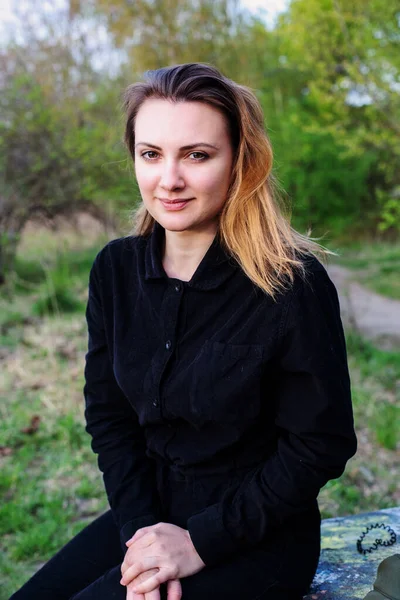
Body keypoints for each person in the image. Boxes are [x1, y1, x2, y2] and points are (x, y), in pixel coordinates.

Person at [10, 62, 357, 600]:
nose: (168, 179)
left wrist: (198, 541)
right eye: (151, 154)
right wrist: (143, 538)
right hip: (149, 514)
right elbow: (110, 418)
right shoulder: (115, 271)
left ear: (240, 161)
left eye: (196, 155)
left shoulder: (291, 284)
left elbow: (320, 444)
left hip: (258, 534)